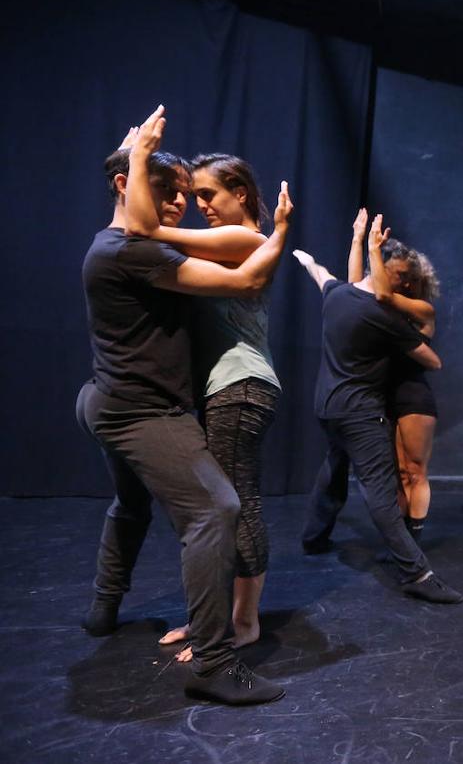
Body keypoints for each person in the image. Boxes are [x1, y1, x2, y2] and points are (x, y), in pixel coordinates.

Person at [77, 105, 288, 704]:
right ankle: (216, 664)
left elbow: (240, 267)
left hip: (103, 400)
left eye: (184, 193)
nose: (177, 204)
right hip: (142, 410)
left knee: (132, 502)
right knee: (216, 510)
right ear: (127, 186)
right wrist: (282, 237)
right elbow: (245, 279)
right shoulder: (133, 250)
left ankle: (103, 607)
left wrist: (140, 163)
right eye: (166, 192)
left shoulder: (111, 244)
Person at [136, 152, 284, 660]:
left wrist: (138, 186)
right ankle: (214, 618)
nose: (199, 206)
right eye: (195, 196)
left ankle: (243, 623)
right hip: (227, 389)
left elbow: (156, 235)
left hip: (241, 386)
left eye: (207, 195)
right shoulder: (223, 247)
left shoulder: (248, 240)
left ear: (239, 192)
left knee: (237, 503)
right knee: (223, 507)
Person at [293, 215, 462, 604]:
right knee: (381, 495)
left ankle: (313, 536)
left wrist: (309, 261)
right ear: (384, 271)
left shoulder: (337, 295)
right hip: (360, 412)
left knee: (333, 470)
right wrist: (362, 242)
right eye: (399, 274)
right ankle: (416, 572)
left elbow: (322, 273)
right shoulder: (382, 315)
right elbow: (433, 361)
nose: (403, 281)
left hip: (328, 407)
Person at [343, 209, 440, 544]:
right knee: (397, 475)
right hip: (383, 397)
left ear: (408, 281)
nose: (381, 276)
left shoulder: (422, 309)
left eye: (391, 272)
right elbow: (356, 287)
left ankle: (415, 538)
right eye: (382, 270)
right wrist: (358, 239)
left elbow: (380, 293)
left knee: (415, 470)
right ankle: (401, 539)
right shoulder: (383, 306)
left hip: (413, 396)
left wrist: (373, 245)